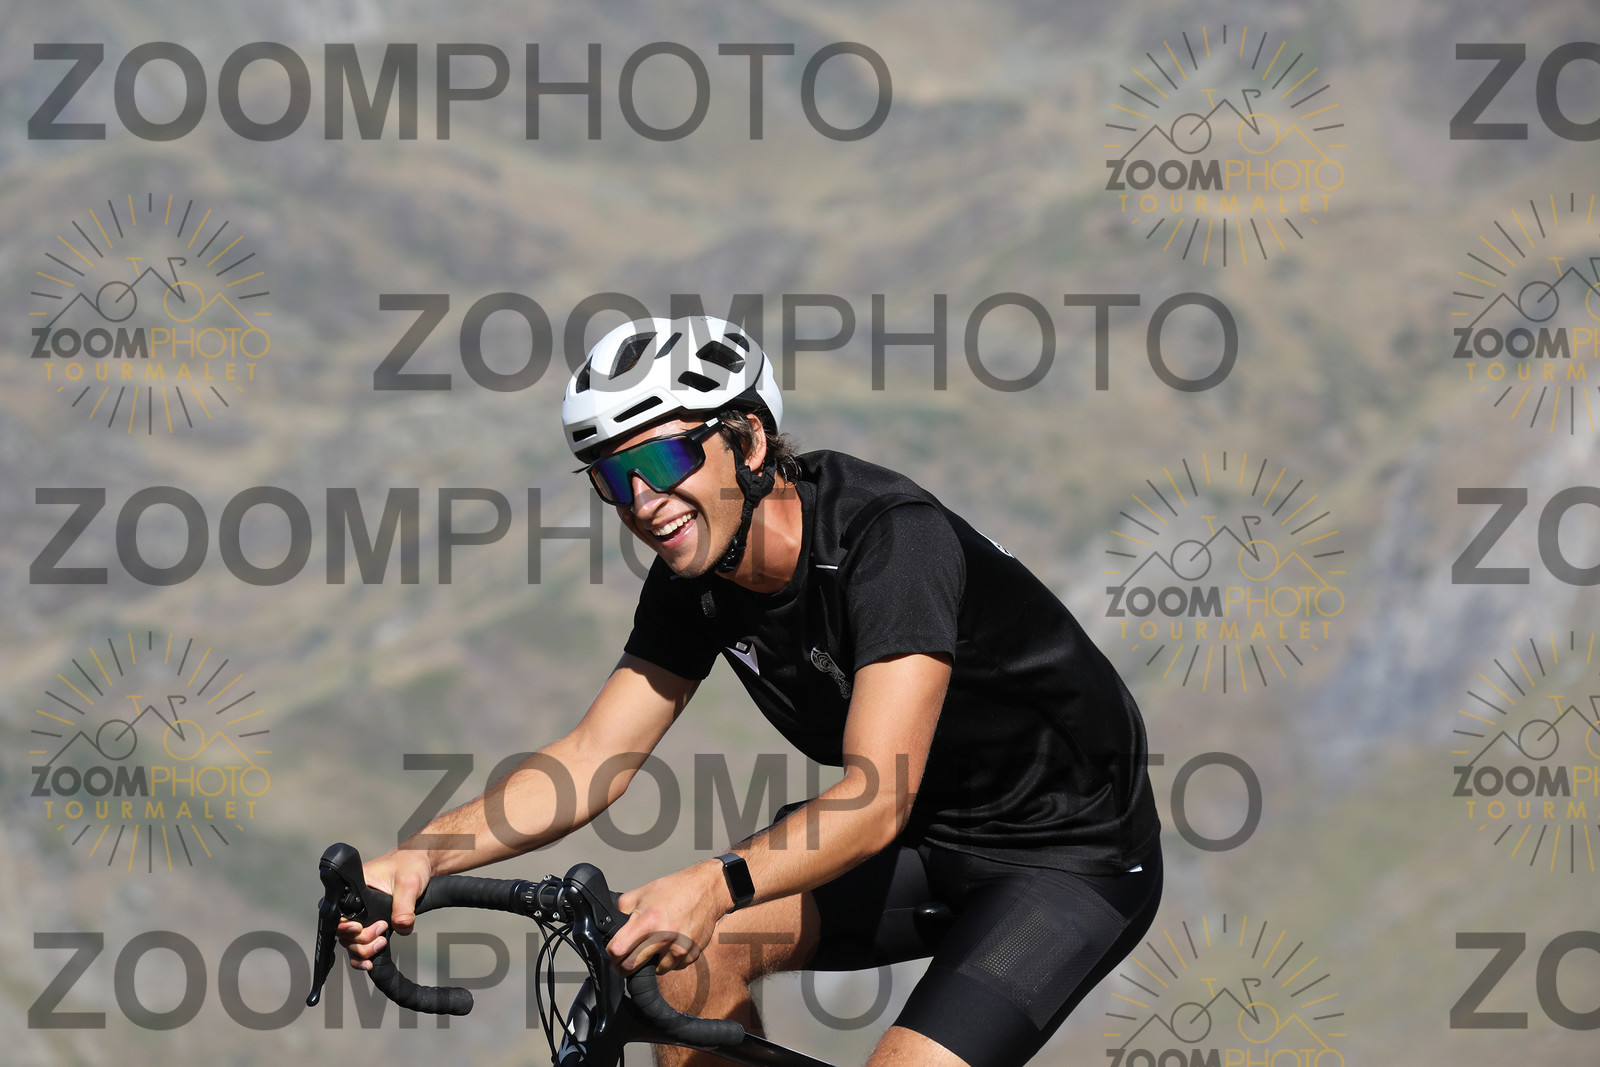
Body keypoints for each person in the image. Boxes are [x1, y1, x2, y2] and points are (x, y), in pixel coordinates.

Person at [340, 315, 1162, 1067]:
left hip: (1066, 861)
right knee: (680, 964)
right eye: (614, 479)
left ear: (752, 441)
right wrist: (423, 853)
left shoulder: (890, 544)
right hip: (921, 842)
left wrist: (713, 883)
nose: (644, 502)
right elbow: (592, 758)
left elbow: (876, 797)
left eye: (665, 460)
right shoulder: (692, 580)